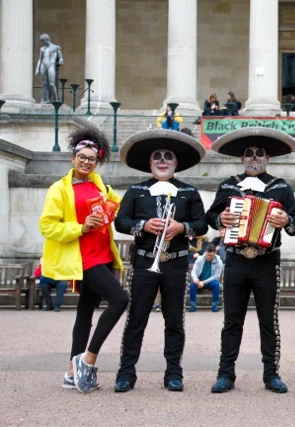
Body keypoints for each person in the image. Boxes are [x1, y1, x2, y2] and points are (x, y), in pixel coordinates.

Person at [206, 127, 295, 394]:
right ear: (241, 159)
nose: (254, 158)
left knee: (268, 320)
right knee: (232, 320)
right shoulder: (229, 185)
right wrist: (220, 220)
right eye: (248, 154)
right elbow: (210, 217)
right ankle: (226, 374)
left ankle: (271, 374)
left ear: (267, 158)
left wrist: (286, 221)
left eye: (259, 153)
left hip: (266, 260)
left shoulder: (281, 187)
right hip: (236, 259)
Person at [114, 129, 208, 393]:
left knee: (175, 320)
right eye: (158, 157)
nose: (163, 160)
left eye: (169, 157)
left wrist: (183, 227)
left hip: (176, 262)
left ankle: (174, 373)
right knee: (136, 319)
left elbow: (201, 224)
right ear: (150, 162)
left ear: (176, 163)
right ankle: (126, 373)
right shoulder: (136, 190)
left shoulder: (188, 191)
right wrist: (143, 225)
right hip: (145, 261)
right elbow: (121, 221)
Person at [39, 127, 128, 393]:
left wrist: (124, 207)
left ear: (97, 161)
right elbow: (47, 226)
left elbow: (118, 204)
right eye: (82, 156)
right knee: (120, 300)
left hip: (103, 255)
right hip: (84, 258)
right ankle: (87, 360)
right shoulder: (60, 189)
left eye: (92, 158)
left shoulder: (100, 184)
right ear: (73, 158)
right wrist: (80, 226)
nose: (87, 161)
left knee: (85, 313)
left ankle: (70, 372)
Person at [188, 243, 223, 312]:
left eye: (211, 255)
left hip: (210, 282)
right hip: (199, 281)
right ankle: (192, 306)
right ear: (205, 252)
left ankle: (214, 306)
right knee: (192, 285)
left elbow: (216, 277)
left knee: (216, 285)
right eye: (207, 255)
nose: (209, 257)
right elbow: (194, 271)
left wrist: (203, 282)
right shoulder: (200, 259)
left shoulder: (219, 262)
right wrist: (195, 279)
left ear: (215, 253)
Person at [35, 33, 64, 103]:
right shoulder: (42, 49)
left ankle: (56, 99)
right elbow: (40, 59)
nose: (42, 43)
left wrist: (60, 60)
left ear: (46, 40)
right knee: (44, 83)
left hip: (51, 64)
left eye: (43, 41)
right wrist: (37, 69)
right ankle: (46, 99)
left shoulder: (56, 47)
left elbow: (60, 57)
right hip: (43, 65)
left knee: (51, 83)